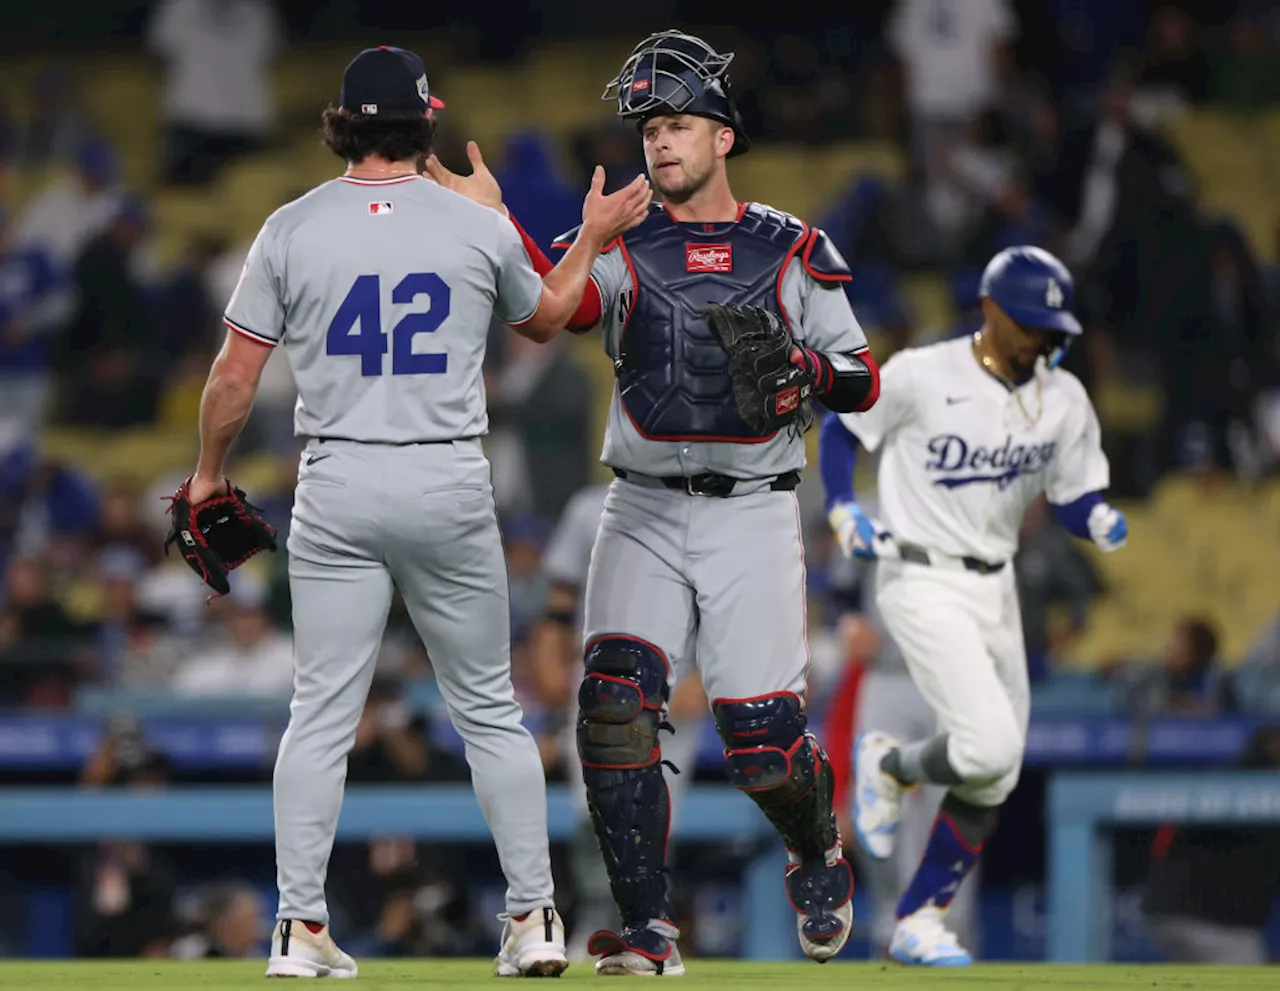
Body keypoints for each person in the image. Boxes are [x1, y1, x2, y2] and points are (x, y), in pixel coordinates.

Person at [177, 44, 651, 979]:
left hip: (339, 475)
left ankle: (298, 929)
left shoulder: (290, 225)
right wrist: (586, 234)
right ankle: (533, 918)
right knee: (488, 710)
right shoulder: (471, 224)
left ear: (342, 122)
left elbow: (235, 377)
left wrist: (206, 474)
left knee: (319, 714)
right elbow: (553, 317)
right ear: (426, 122)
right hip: (445, 475)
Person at [431, 30, 880, 973]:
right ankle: (646, 929)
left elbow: (863, 377)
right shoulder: (623, 238)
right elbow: (548, 312)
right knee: (612, 710)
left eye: (678, 124)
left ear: (724, 136)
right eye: (649, 127)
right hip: (638, 503)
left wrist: (805, 369)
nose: (659, 142)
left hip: (755, 509)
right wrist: (499, 220)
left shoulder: (793, 243)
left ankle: (815, 846)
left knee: (761, 746)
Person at [820, 245, 1128, 965]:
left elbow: (1074, 493)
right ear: (991, 311)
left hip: (998, 587)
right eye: (1030, 323)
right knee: (987, 745)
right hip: (922, 579)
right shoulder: (926, 372)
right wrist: (839, 504)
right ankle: (894, 771)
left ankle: (921, 911)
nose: (1042, 338)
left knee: (996, 767)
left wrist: (1096, 518)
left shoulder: (1064, 396)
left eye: (1053, 326)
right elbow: (842, 426)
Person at [527, 484, 706, 960]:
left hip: (674, 682)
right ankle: (594, 917)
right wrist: (548, 657)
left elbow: (724, 603)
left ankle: (650, 927)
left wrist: (709, 676)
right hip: (599, 679)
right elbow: (561, 597)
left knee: (656, 812)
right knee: (592, 810)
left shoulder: (707, 503)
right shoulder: (590, 506)